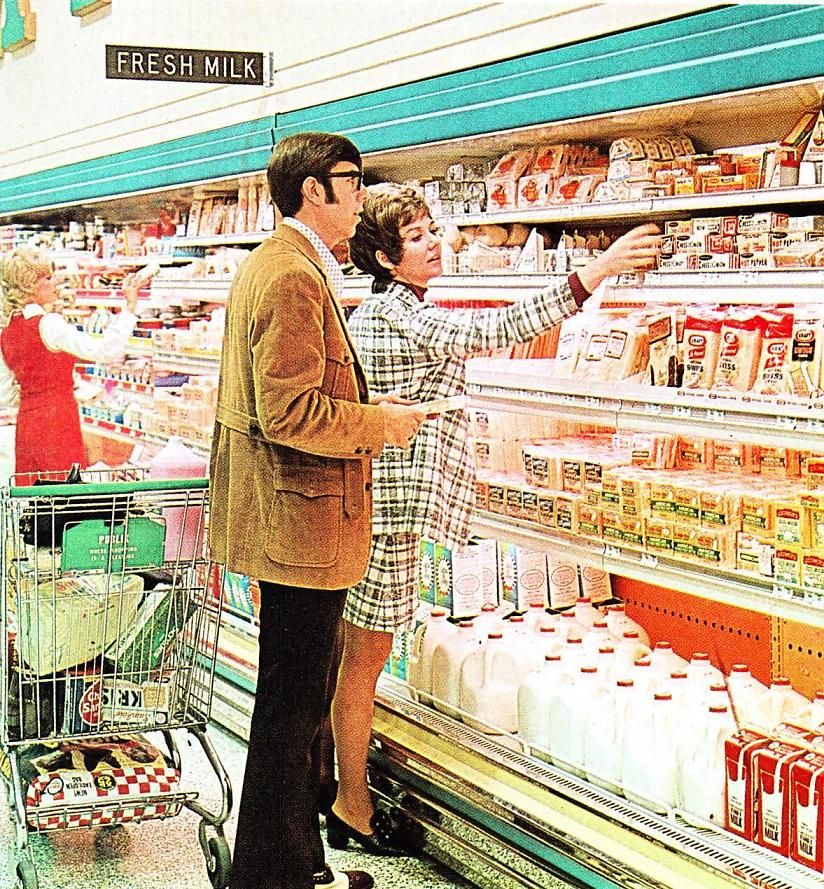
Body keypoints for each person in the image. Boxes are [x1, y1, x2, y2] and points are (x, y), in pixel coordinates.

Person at [328, 182, 662, 854]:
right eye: (418, 235)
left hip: (369, 503)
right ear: (388, 259)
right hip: (387, 510)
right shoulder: (403, 314)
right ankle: (350, 803)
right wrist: (595, 272)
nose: (435, 242)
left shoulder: (383, 310)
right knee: (364, 660)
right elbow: (490, 329)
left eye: (433, 228)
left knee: (353, 656)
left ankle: (338, 788)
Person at [208, 133, 426, 889]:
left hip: (289, 520)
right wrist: (380, 423)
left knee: (291, 707)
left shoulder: (286, 263)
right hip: (299, 524)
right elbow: (289, 410)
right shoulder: (292, 275)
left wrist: (367, 411)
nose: (362, 194)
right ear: (312, 190)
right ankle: (273, 875)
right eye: (352, 180)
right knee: (291, 712)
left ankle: (294, 864)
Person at [0, 248, 139, 481]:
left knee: (33, 496)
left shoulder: (6, 333)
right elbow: (104, 350)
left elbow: (5, 394)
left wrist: (39, 392)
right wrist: (130, 308)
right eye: (47, 278)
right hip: (58, 420)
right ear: (29, 285)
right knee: (65, 493)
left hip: (27, 424)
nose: (54, 282)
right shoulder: (49, 324)